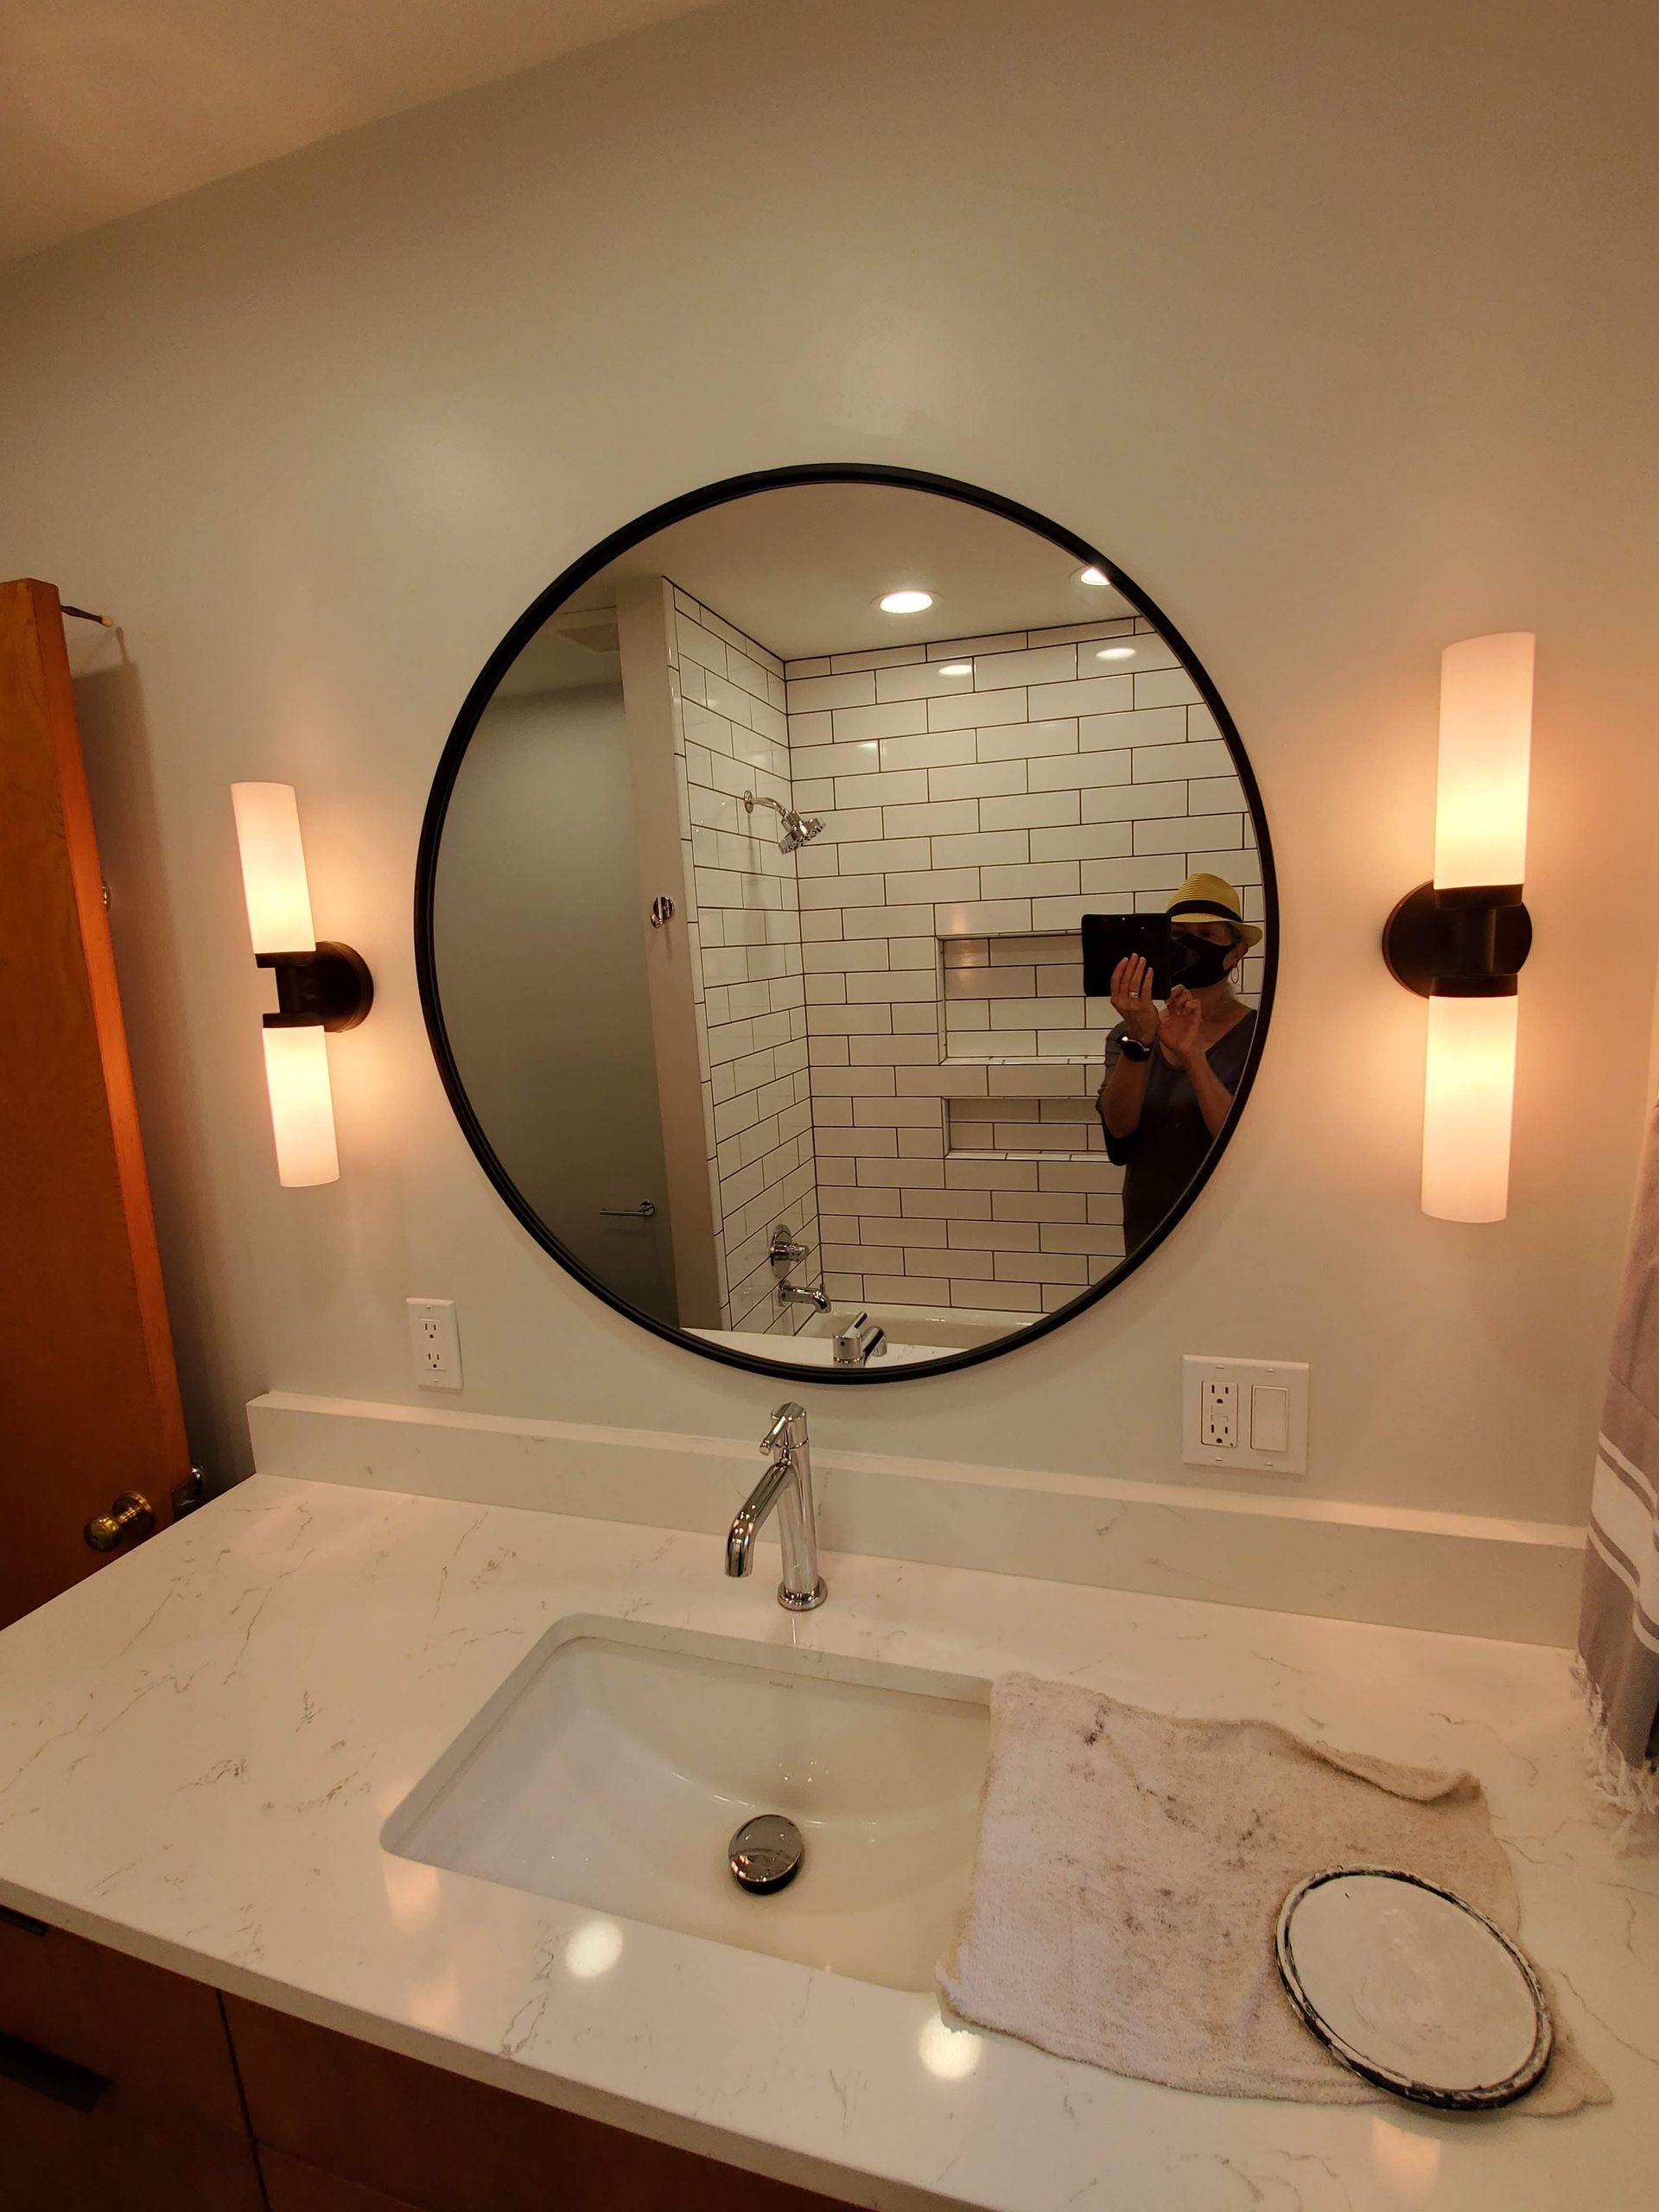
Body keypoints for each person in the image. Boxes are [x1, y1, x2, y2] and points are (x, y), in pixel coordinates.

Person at [1096, 873, 1261, 1254]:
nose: (1189, 945)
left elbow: (1242, 1144)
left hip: (1230, 1226)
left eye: (1206, 935)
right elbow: (1118, 1131)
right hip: (1149, 1226)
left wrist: (1193, 1056)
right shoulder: (1130, 1031)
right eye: (1178, 935)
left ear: (1237, 952)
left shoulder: (1260, 1035)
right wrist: (1140, 1037)